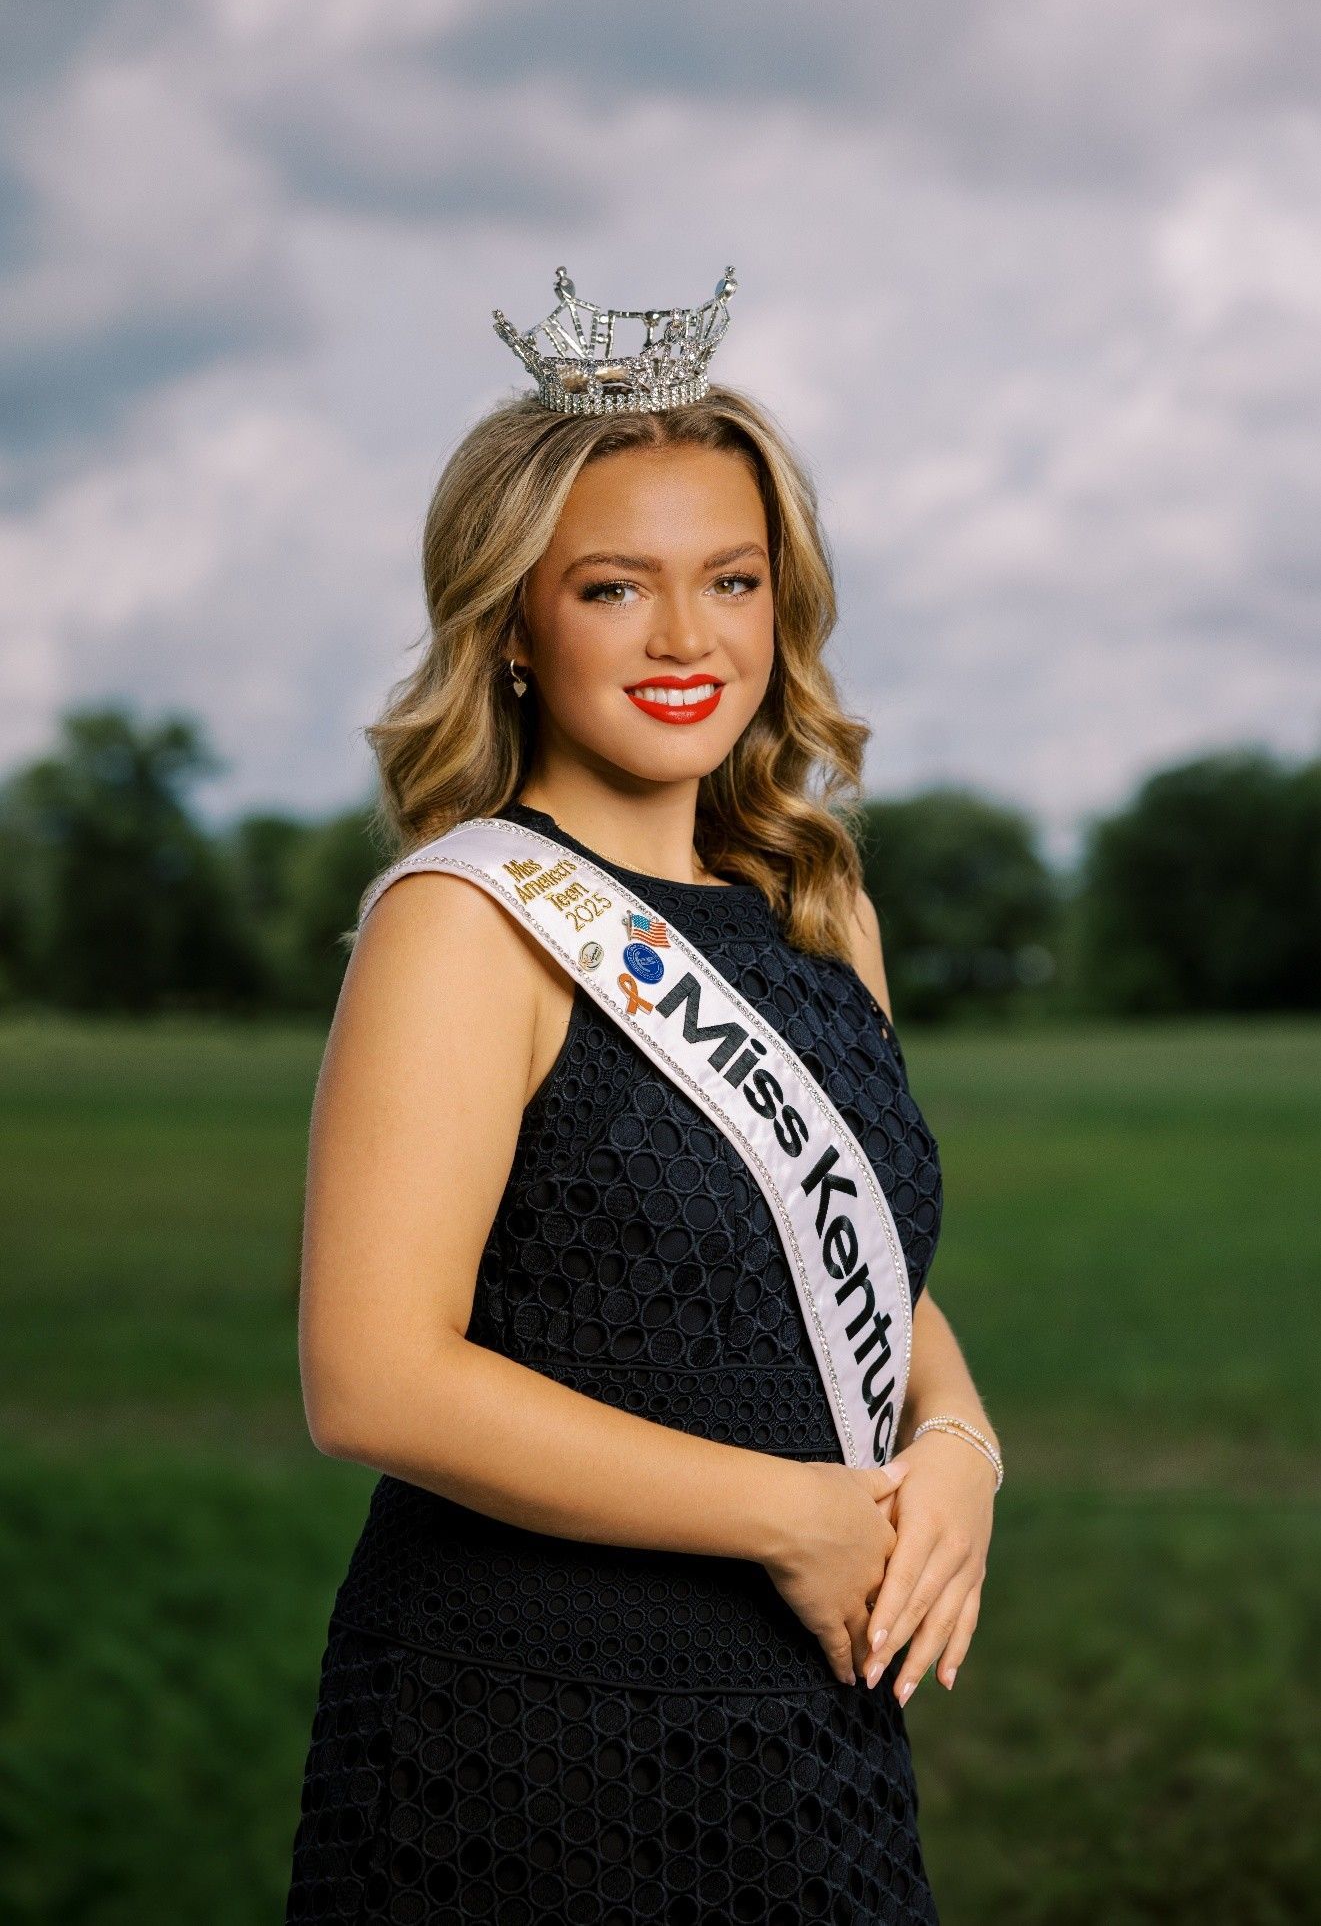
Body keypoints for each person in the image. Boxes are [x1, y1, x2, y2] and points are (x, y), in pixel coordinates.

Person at [284, 268, 1001, 1925]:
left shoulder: (818, 909)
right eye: (615, 588)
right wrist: (791, 1515)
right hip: (530, 1725)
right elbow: (373, 1378)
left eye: (730, 581)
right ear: (514, 625)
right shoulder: (469, 919)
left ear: (781, 607)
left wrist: (956, 1442)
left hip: (811, 1717)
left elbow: (857, 1268)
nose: (687, 641)